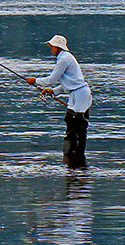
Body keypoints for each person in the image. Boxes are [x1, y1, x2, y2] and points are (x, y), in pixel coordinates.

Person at [26, 34, 92, 168]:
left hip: (79, 97)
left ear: (57, 46)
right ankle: (76, 161)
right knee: (77, 128)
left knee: (74, 127)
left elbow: (52, 79)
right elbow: (70, 83)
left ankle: (71, 160)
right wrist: (53, 91)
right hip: (80, 95)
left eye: (52, 46)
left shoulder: (63, 59)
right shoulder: (67, 57)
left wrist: (35, 81)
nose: (50, 48)